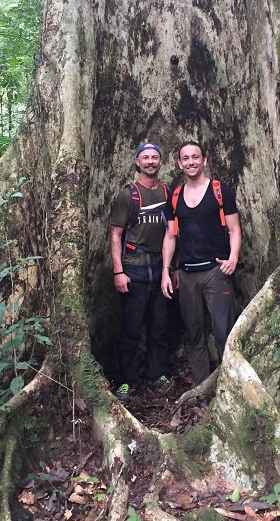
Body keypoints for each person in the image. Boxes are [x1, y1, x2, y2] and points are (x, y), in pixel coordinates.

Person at [161, 141, 241, 386]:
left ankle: (231, 386)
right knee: (194, 333)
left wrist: (233, 258)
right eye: (185, 158)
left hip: (216, 272)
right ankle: (202, 388)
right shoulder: (175, 197)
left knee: (223, 332)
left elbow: (234, 229)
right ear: (179, 164)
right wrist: (166, 271)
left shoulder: (220, 191)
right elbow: (170, 236)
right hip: (187, 275)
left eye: (195, 157)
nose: (190, 162)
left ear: (205, 160)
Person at [109, 142, 172, 400]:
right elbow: (115, 235)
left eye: (154, 157)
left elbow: (172, 233)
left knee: (159, 325)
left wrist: (172, 269)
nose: (150, 161)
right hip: (133, 269)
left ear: (161, 162)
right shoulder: (128, 195)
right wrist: (118, 272)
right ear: (137, 162)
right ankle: (125, 379)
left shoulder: (168, 193)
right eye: (145, 157)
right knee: (131, 327)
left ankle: (154, 374)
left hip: (159, 269)